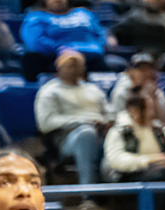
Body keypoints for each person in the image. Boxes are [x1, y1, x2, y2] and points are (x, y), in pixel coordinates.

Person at [36, 49, 111, 186]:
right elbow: (45, 123)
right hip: (68, 138)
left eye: (78, 65)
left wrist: (105, 123)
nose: (74, 68)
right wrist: (81, 121)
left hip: (101, 132)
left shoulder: (93, 89)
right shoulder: (50, 91)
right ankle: (88, 195)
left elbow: (109, 114)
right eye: (70, 65)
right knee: (86, 134)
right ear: (59, 68)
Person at [104, 90, 165, 182]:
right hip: (131, 175)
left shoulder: (158, 130)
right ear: (133, 111)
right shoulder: (120, 131)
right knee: (162, 176)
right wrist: (147, 160)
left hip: (160, 170)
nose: (151, 113)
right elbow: (117, 160)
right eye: (148, 108)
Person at [21, 0, 108, 61]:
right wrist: (62, 49)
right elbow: (35, 42)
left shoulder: (83, 13)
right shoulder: (37, 17)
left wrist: (99, 47)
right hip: (55, 58)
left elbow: (101, 33)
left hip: (93, 55)